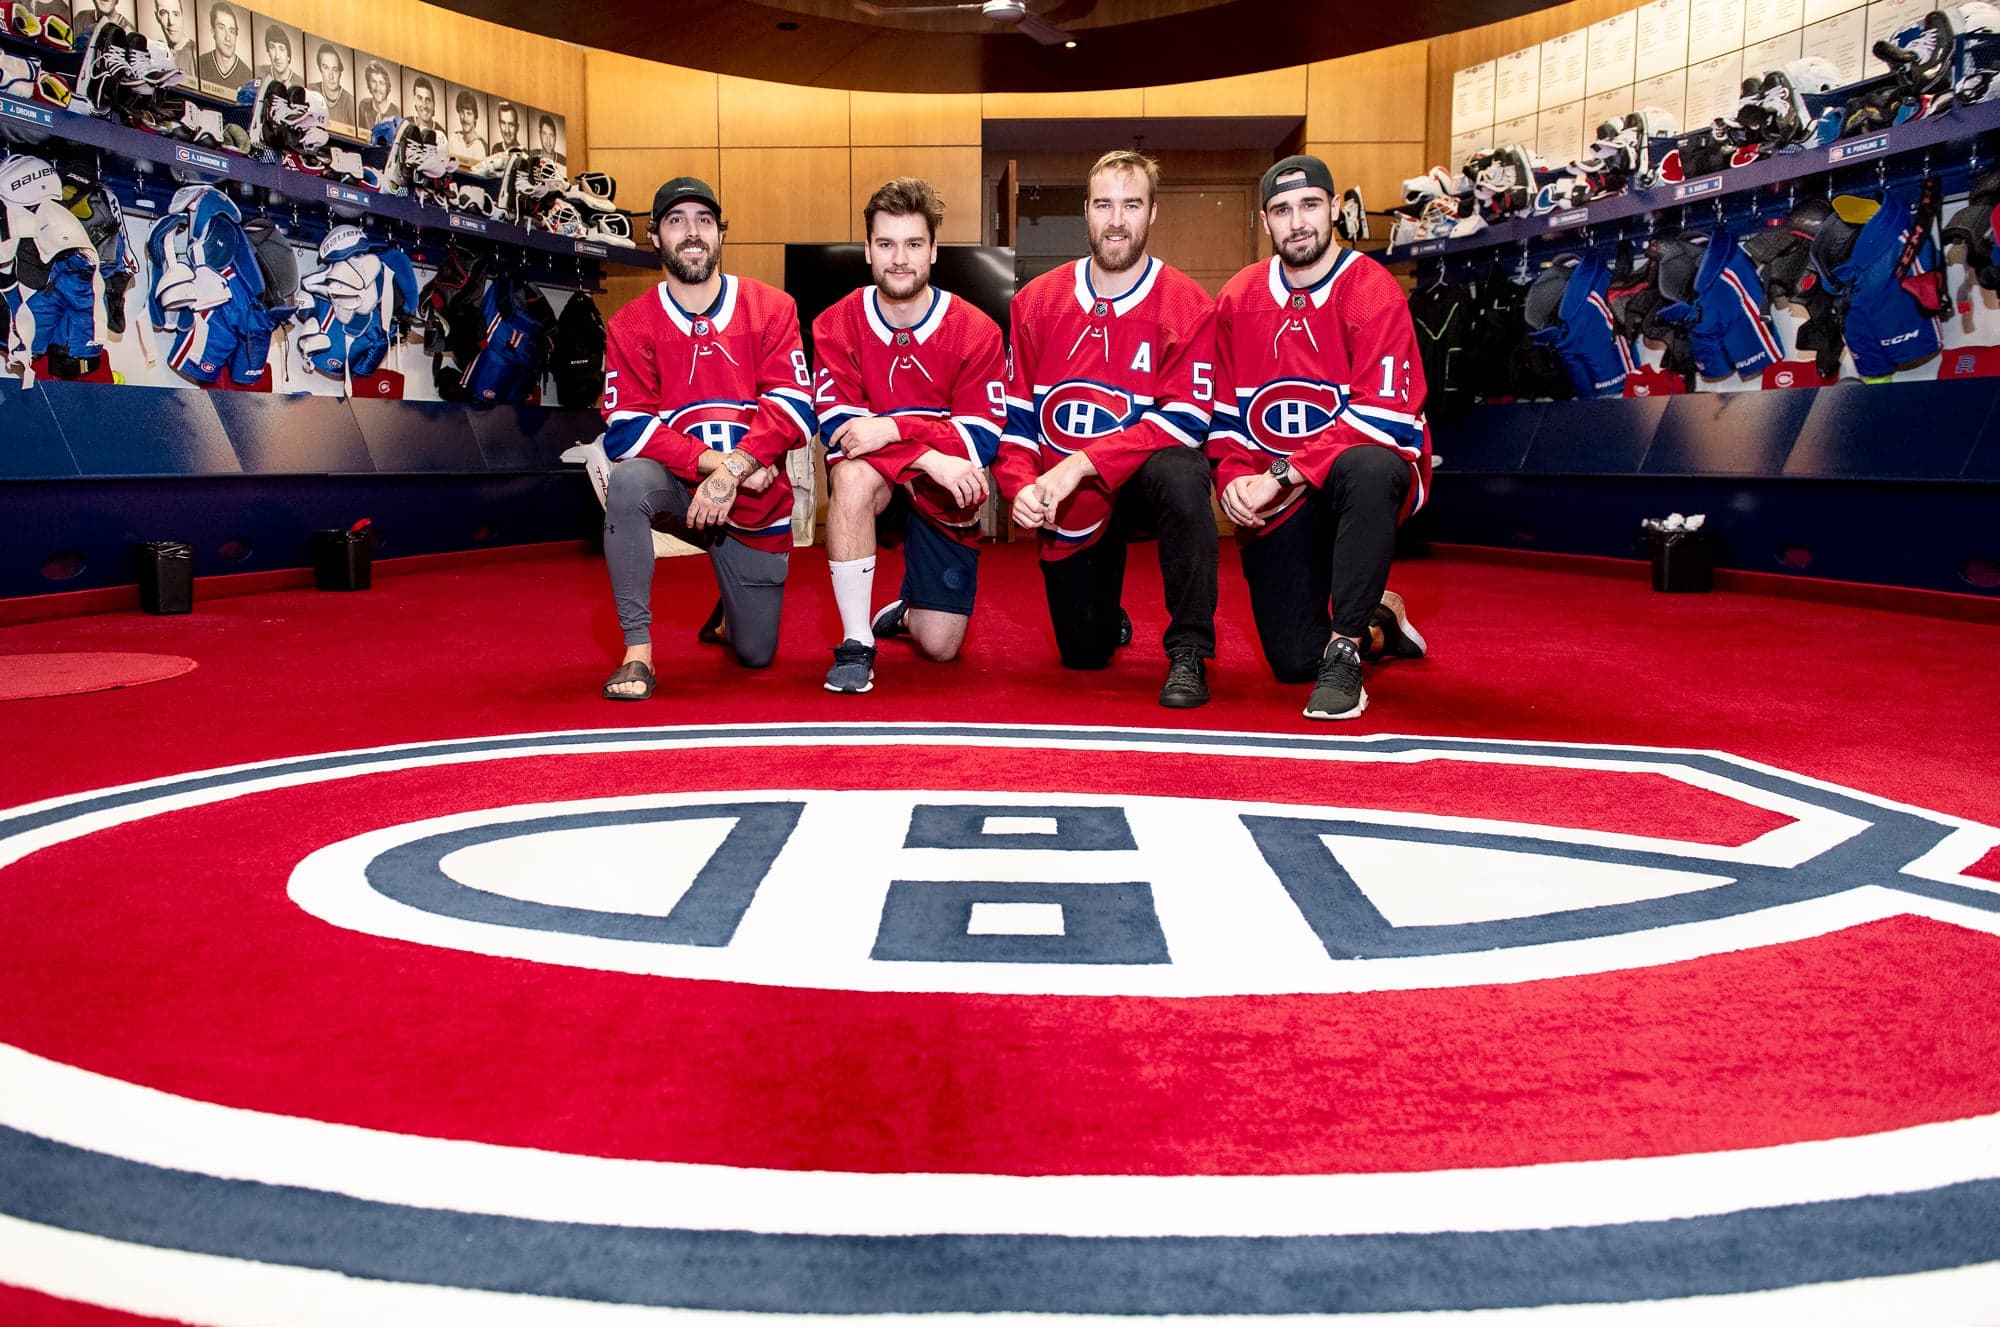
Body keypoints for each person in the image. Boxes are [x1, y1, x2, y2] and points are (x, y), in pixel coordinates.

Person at [1210, 154, 1432, 720]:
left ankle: (1345, 653)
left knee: (1369, 465)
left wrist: (1278, 474)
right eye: (1282, 210)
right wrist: (1233, 478)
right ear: (1266, 221)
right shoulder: (1238, 297)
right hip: (1278, 494)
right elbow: (1224, 414)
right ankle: (1377, 626)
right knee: (1292, 662)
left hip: (1357, 483)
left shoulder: (1372, 289)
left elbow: (1384, 418)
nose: (1297, 222)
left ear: (1333, 208)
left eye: (1309, 205)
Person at [995, 149, 1219, 708]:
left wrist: (1083, 462)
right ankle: (1104, 609)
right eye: (1104, 205)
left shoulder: (1187, 304)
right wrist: (1020, 486)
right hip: (1073, 499)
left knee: (1184, 473)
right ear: (1086, 211)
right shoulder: (1035, 303)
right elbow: (1016, 418)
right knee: (1084, 654)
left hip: (1143, 485)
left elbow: (1189, 418)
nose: (1116, 220)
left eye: (1132, 205)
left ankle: (1189, 650)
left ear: (1152, 213)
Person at [596, 177, 816, 698]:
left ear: (720, 233)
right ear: (655, 237)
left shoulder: (771, 307)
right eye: (676, 221)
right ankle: (637, 653)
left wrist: (738, 469)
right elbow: (626, 427)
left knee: (755, 654)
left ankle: (730, 608)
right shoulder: (631, 324)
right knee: (628, 482)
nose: (692, 232)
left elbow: (795, 406)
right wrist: (723, 465)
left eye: (704, 220)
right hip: (681, 492)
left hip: (756, 504)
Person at [811, 177, 1006, 694]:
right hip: (887, 484)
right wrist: (929, 456)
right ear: (868, 250)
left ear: (934, 250)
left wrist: (893, 427)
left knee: (941, 647)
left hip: (943, 496)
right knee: (851, 476)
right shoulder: (836, 324)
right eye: (887, 244)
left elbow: (980, 438)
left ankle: (907, 609)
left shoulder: (976, 330)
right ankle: (856, 643)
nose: (900, 259)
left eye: (914, 244)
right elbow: (844, 433)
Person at [194, 1, 248, 89]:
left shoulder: (247, 75)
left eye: (232, 31)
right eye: (221, 28)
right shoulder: (199, 64)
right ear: (213, 31)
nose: (228, 38)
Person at [313, 43, 354, 127]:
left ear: (340, 73)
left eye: (335, 70)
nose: (331, 76)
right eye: (326, 68)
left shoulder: (350, 102)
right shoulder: (310, 91)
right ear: (320, 69)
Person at [152, 0, 193, 76]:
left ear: (182, 16)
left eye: (175, 14)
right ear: (157, 17)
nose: (171, 21)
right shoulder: (157, 53)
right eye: (164, 13)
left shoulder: (195, 54)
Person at [357, 60, 397, 131]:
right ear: (369, 84)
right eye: (373, 82)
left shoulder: (396, 112)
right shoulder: (363, 106)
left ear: (387, 86)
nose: (377, 88)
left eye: (381, 83)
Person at [450, 88, 486, 161]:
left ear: (475, 117)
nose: (465, 118)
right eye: (462, 112)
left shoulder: (480, 145)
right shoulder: (454, 139)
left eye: (469, 113)